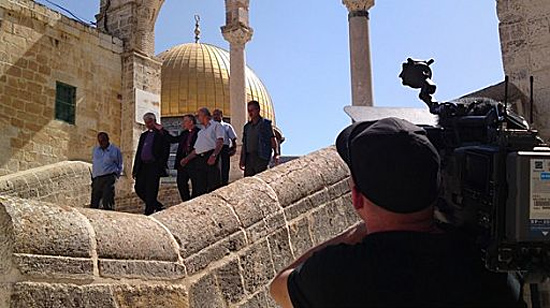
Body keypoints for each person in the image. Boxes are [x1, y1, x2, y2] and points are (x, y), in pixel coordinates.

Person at [270, 117, 525, 308]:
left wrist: (352, 235)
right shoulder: (489, 268)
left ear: (357, 197)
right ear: (439, 187)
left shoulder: (340, 275)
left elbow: (280, 285)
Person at [132, 112, 170, 215]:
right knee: (138, 188)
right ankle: (157, 205)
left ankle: (149, 211)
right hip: (143, 166)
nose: (148, 124)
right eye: (146, 122)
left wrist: (161, 130)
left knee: (151, 189)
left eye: (149, 122)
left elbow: (169, 140)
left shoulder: (161, 134)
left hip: (154, 166)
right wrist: (135, 169)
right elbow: (139, 152)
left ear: (154, 121)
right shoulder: (144, 135)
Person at [180, 107, 224, 195]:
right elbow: (197, 150)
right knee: (200, 187)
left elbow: (220, 140)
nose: (197, 118)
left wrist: (214, 155)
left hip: (210, 157)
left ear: (205, 116)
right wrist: (186, 159)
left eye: (199, 115)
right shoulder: (201, 132)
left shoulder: (215, 125)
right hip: (200, 160)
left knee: (213, 185)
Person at [161, 114, 201, 202]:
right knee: (181, 183)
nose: (183, 123)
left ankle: (194, 201)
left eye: (185, 121)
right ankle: (186, 201)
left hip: (194, 162)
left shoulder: (199, 132)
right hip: (182, 162)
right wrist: (162, 130)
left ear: (191, 122)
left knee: (196, 184)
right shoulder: (184, 133)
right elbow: (173, 140)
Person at [240, 100, 279, 177]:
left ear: (258, 110)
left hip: (261, 156)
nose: (250, 113)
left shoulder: (265, 124)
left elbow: (272, 138)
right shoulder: (247, 127)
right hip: (249, 158)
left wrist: (276, 153)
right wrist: (242, 159)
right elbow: (244, 144)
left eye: (252, 110)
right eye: (249, 111)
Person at [90, 132, 123, 210]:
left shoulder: (115, 150)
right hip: (97, 178)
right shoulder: (96, 150)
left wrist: (115, 176)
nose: (101, 143)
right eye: (100, 141)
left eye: (103, 140)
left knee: (107, 201)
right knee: (94, 203)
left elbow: (120, 164)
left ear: (108, 140)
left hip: (109, 177)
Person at [213, 109, 237, 186]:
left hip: (224, 148)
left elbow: (233, 138)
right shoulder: (211, 127)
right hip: (213, 148)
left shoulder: (227, 126)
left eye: (217, 115)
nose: (215, 116)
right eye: (214, 115)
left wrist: (234, 148)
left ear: (221, 116)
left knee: (224, 167)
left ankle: (224, 183)